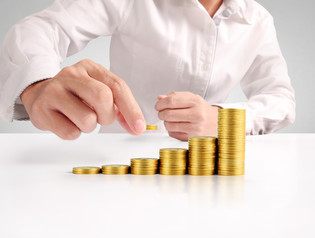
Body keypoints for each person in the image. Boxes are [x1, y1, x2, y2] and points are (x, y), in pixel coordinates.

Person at [0, 0, 295, 141]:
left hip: (211, 174)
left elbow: (280, 98)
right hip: (117, 164)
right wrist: (36, 83)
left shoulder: (258, 21)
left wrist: (221, 119)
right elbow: (41, 28)